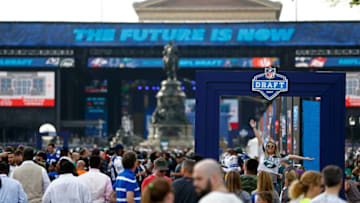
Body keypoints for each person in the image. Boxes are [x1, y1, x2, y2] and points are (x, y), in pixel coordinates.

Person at [250, 119, 314, 187]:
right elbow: (259, 138)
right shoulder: (263, 153)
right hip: (260, 181)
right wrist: (254, 127)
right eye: (268, 146)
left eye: (272, 146)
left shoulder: (278, 157)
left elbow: (291, 156)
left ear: (275, 148)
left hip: (272, 183)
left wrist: (304, 158)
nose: (270, 148)